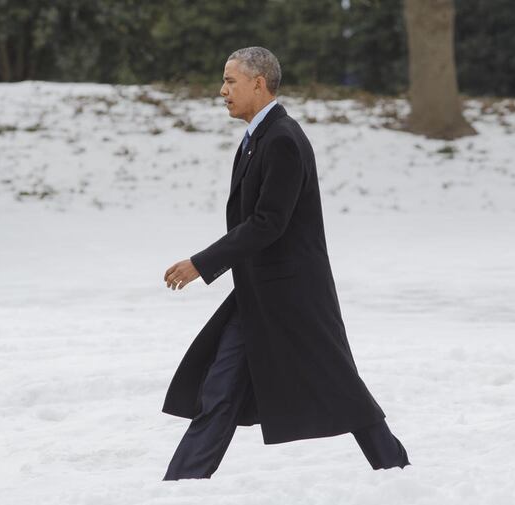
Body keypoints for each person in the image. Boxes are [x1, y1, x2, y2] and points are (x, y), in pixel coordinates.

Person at [161, 46, 410, 480]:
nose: (222, 90)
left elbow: (268, 223)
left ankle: (395, 467)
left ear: (258, 83)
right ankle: (180, 484)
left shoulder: (282, 139)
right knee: (220, 388)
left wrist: (201, 263)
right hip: (259, 294)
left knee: (341, 385)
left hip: (294, 297)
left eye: (230, 81)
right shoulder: (258, 138)